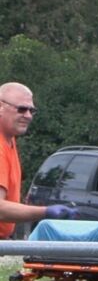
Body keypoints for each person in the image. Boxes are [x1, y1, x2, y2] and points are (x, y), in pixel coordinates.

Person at [0, 82, 77, 236]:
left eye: (32, 110)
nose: (28, 116)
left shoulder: (9, 139)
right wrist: (45, 211)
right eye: (21, 109)